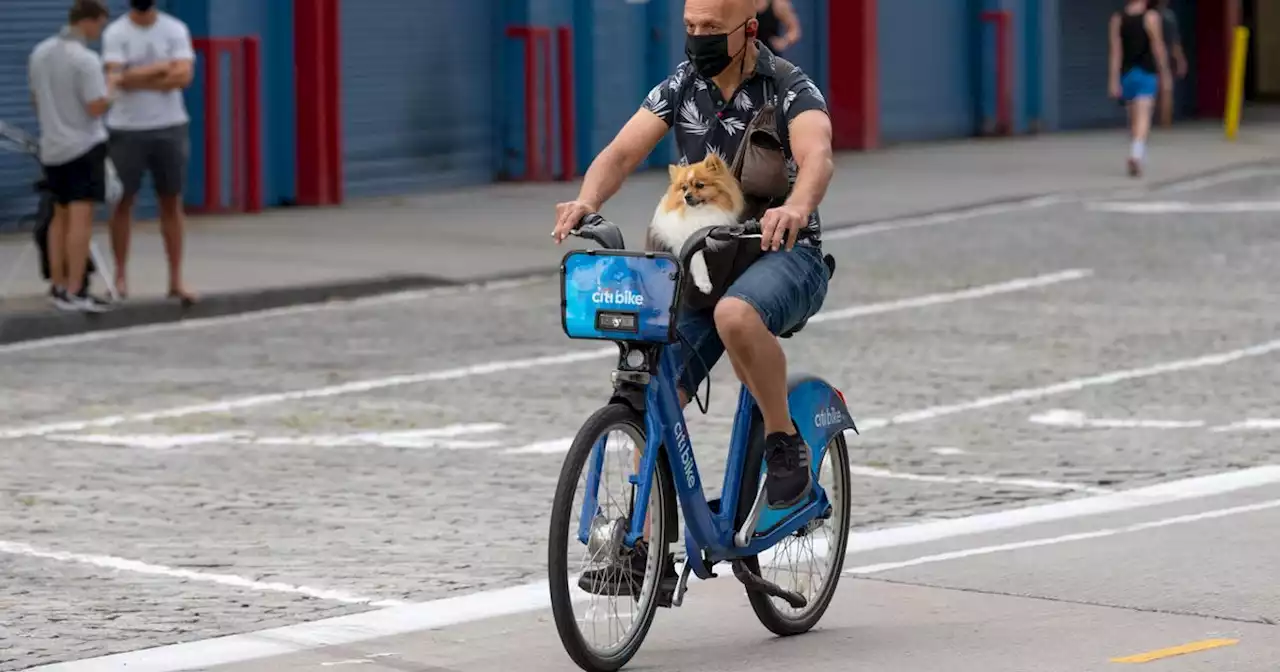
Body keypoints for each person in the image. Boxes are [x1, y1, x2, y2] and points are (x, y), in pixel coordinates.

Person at [553, 0, 834, 593]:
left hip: (784, 255)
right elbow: (622, 152)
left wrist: (796, 206)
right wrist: (587, 200)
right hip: (701, 263)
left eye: (711, 29)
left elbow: (817, 156)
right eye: (691, 28)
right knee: (653, 381)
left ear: (748, 30)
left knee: (737, 314)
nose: (698, 39)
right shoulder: (681, 86)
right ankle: (642, 547)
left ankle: (785, 449)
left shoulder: (788, 88)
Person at [102, 0, 198, 305]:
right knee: (122, 202)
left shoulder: (175, 29)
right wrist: (160, 69)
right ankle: (119, 277)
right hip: (126, 128)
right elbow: (113, 80)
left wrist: (133, 76)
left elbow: (184, 77)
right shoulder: (116, 32)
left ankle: (175, 279)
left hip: (170, 126)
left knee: (171, 201)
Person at [28, 0, 118, 312]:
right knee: (81, 219)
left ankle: (58, 285)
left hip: (52, 146)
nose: (100, 32)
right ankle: (77, 289)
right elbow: (95, 106)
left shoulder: (40, 52)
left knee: (58, 217)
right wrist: (113, 87)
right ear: (89, 21)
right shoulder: (86, 60)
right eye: (100, 25)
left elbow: (36, 100)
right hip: (83, 146)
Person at [1108, 0, 1171, 178]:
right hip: (1146, 73)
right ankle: (1136, 154)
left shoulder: (1117, 18)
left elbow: (1115, 51)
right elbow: (1158, 47)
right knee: (1143, 118)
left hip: (1127, 75)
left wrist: (1113, 81)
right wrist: (1165, 73)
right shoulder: (1151, 17)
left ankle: (1137, 153)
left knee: (1134, 120)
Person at [1154, 0, 1188, 128]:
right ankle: (1165, 123)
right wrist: (1180, 60)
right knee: (1166, 89)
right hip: (1163, 58)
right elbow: (1174, 43)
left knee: (1153, 91)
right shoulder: (1168, 16)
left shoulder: (1146, 15)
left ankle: (1155, 120)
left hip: (1146, 59)